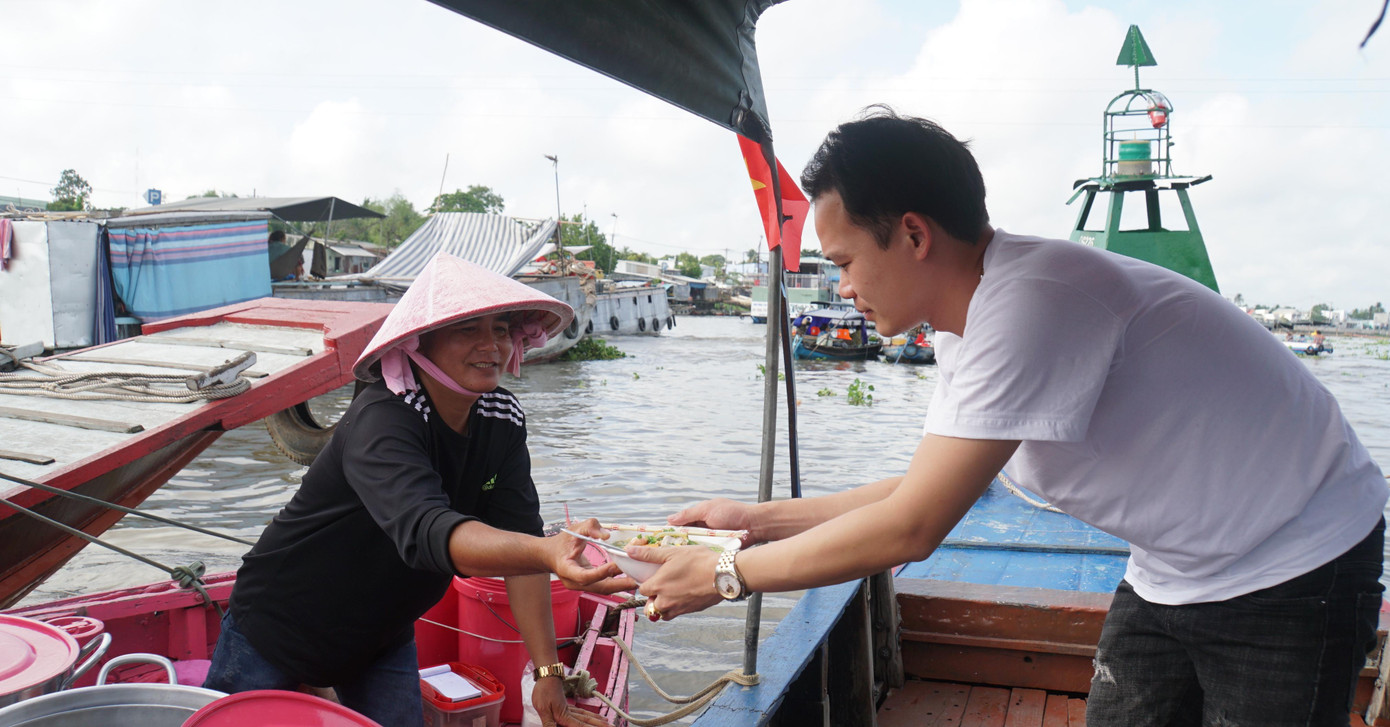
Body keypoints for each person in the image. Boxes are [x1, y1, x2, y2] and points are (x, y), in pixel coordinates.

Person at [631, 108, 1387, 726]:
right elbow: (921, 490)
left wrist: (728, 573)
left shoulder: (1033, 302)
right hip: (1178, 563)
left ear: (914, 234)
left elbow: (912, 529)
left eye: (844, 260)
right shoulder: (970, 318)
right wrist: (756, 520)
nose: (842, 284)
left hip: (1295, 555)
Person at [205, 252, 631, 727]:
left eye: (500, 329)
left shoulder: (501, 418)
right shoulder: (382, 419)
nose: (490, 345)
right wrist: (548, 552)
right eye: (468, 330)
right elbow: (428, 530)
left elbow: (522, 547)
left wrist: (549, 673)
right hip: (279, 624)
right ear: (418, 343)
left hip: (381, 635)